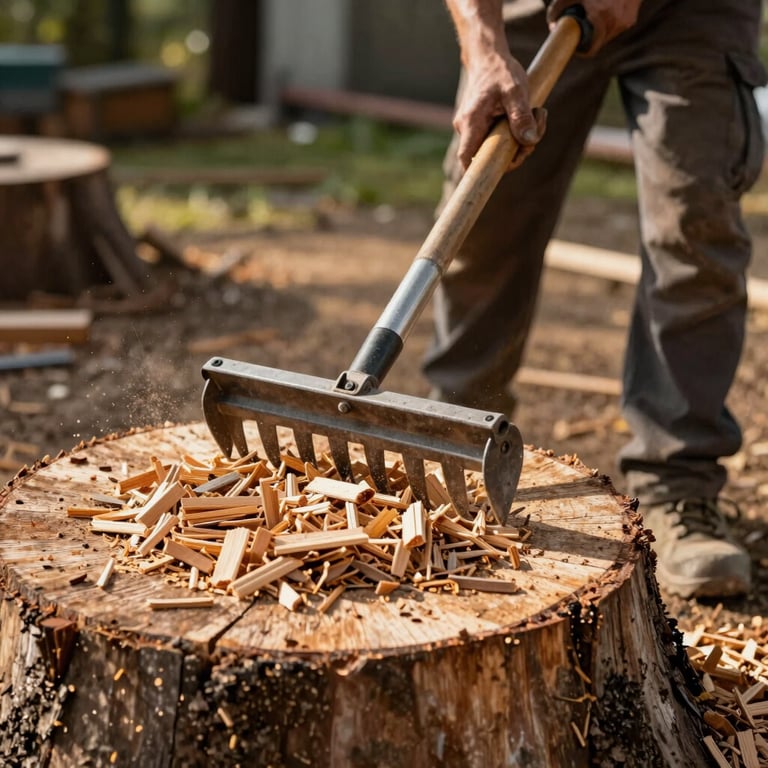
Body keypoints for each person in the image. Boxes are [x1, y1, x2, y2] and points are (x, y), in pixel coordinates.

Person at [425, 0, 766, 599]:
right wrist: (482, 46)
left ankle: (676, 482)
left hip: (695, 14)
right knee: (489, 208)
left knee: (694, 221)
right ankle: (457, 436)